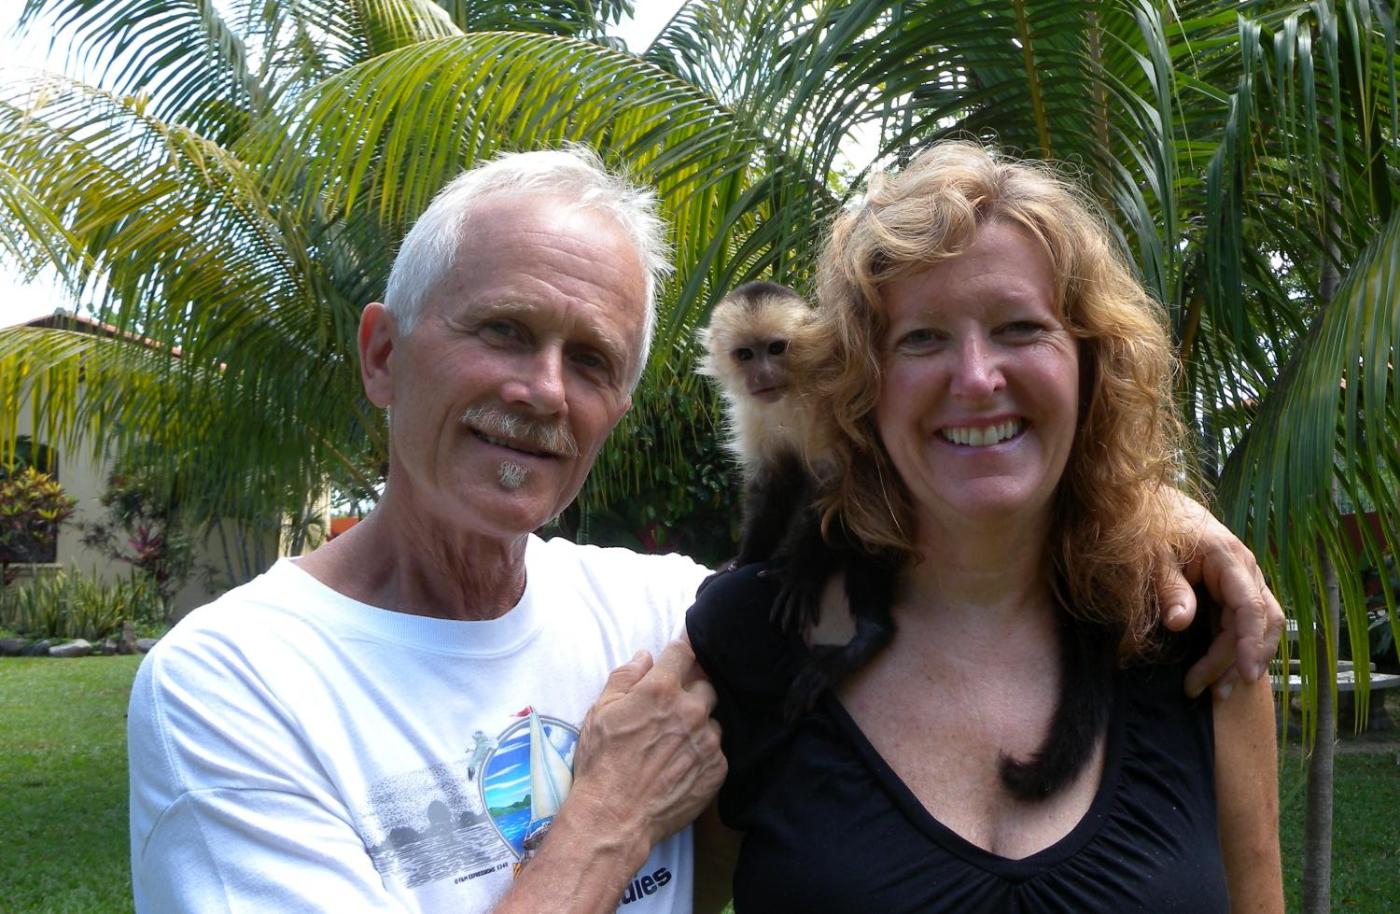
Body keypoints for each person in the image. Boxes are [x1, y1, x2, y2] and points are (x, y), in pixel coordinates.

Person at [128, 145, 1280, 914]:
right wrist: (606, 815)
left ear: (618, 404)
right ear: (383, 354)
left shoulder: (658, 615)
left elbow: (952, 524)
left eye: (590, 359)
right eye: (502, 330)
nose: (541, 390)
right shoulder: (234, 683)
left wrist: (1155, 514)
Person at [687, 141, 1283, 912]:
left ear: (1090, 364)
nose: (975, 379)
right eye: (922, 338)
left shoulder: (1198, 628)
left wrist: (1161, 510)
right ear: (860, 382)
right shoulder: (748, 640)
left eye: (1020, 327)